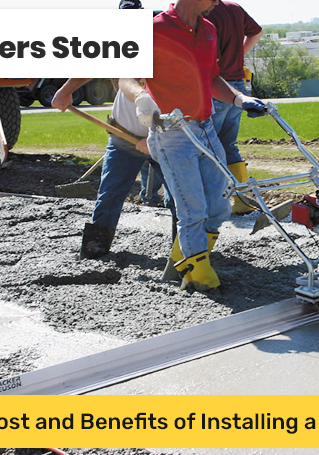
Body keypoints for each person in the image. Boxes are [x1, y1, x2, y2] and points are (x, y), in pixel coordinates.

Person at [119, 0, 266, 292]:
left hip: (206, 127)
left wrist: (239, 99)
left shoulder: (209, 30)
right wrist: (142, 98)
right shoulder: (154, 29)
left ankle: (185, 257)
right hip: (172, 134)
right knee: (193, 209)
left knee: (220, 206)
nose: (215, 2)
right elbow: (126, 78)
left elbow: (211, 77)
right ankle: (198, 275)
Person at [51, 1, 173, 259]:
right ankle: (95, 248)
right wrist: (66, 91)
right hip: (123, 138)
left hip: (166, 138)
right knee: (110, 193)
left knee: (180, 197)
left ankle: (185, 251)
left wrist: (153, 137)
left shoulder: (165, 43)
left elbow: (175, 97)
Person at [205, 1, 263, 214]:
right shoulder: (235, 8)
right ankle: (242, 201)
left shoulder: (205, 14)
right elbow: (256, 32)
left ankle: (212, 203)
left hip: (218, 85)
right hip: (238, 86)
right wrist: (240, 54)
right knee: (228, 144)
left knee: (209, 147)